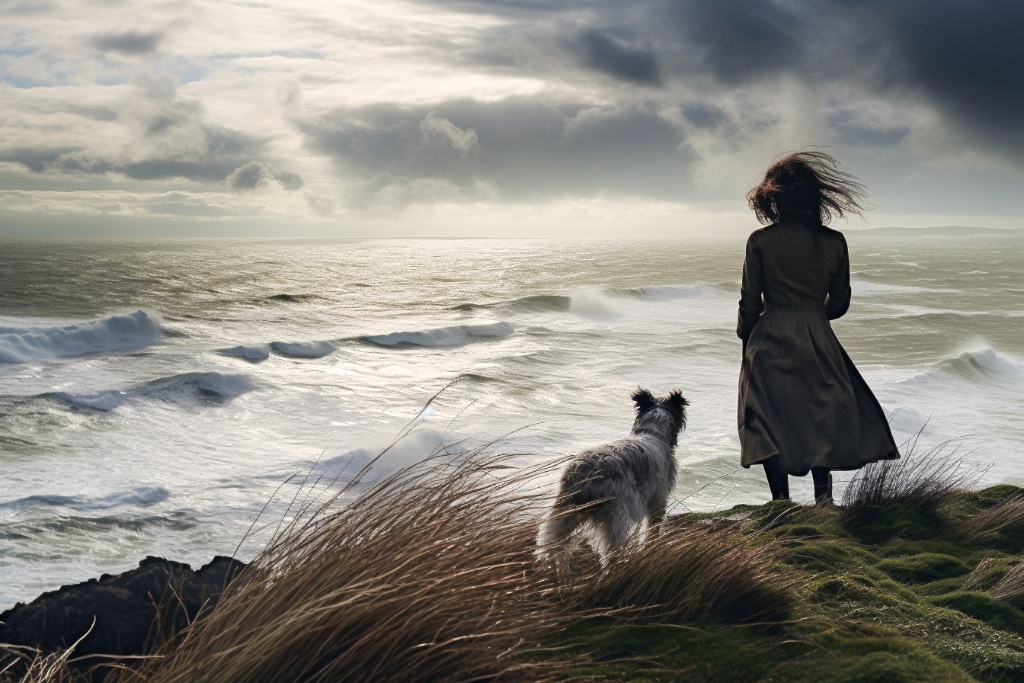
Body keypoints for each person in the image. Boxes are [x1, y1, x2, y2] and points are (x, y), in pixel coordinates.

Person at [737, 151, 899, 504]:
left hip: (769, 336)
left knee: (766, 419)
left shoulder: (760, 241)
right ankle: (823, 500)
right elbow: (839, 303)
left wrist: (746, 336)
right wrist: (813, 315)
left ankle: (780, 502)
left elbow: (750, 302)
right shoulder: (834, 242)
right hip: (818, 335)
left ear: (776, 199)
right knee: (820, 414)